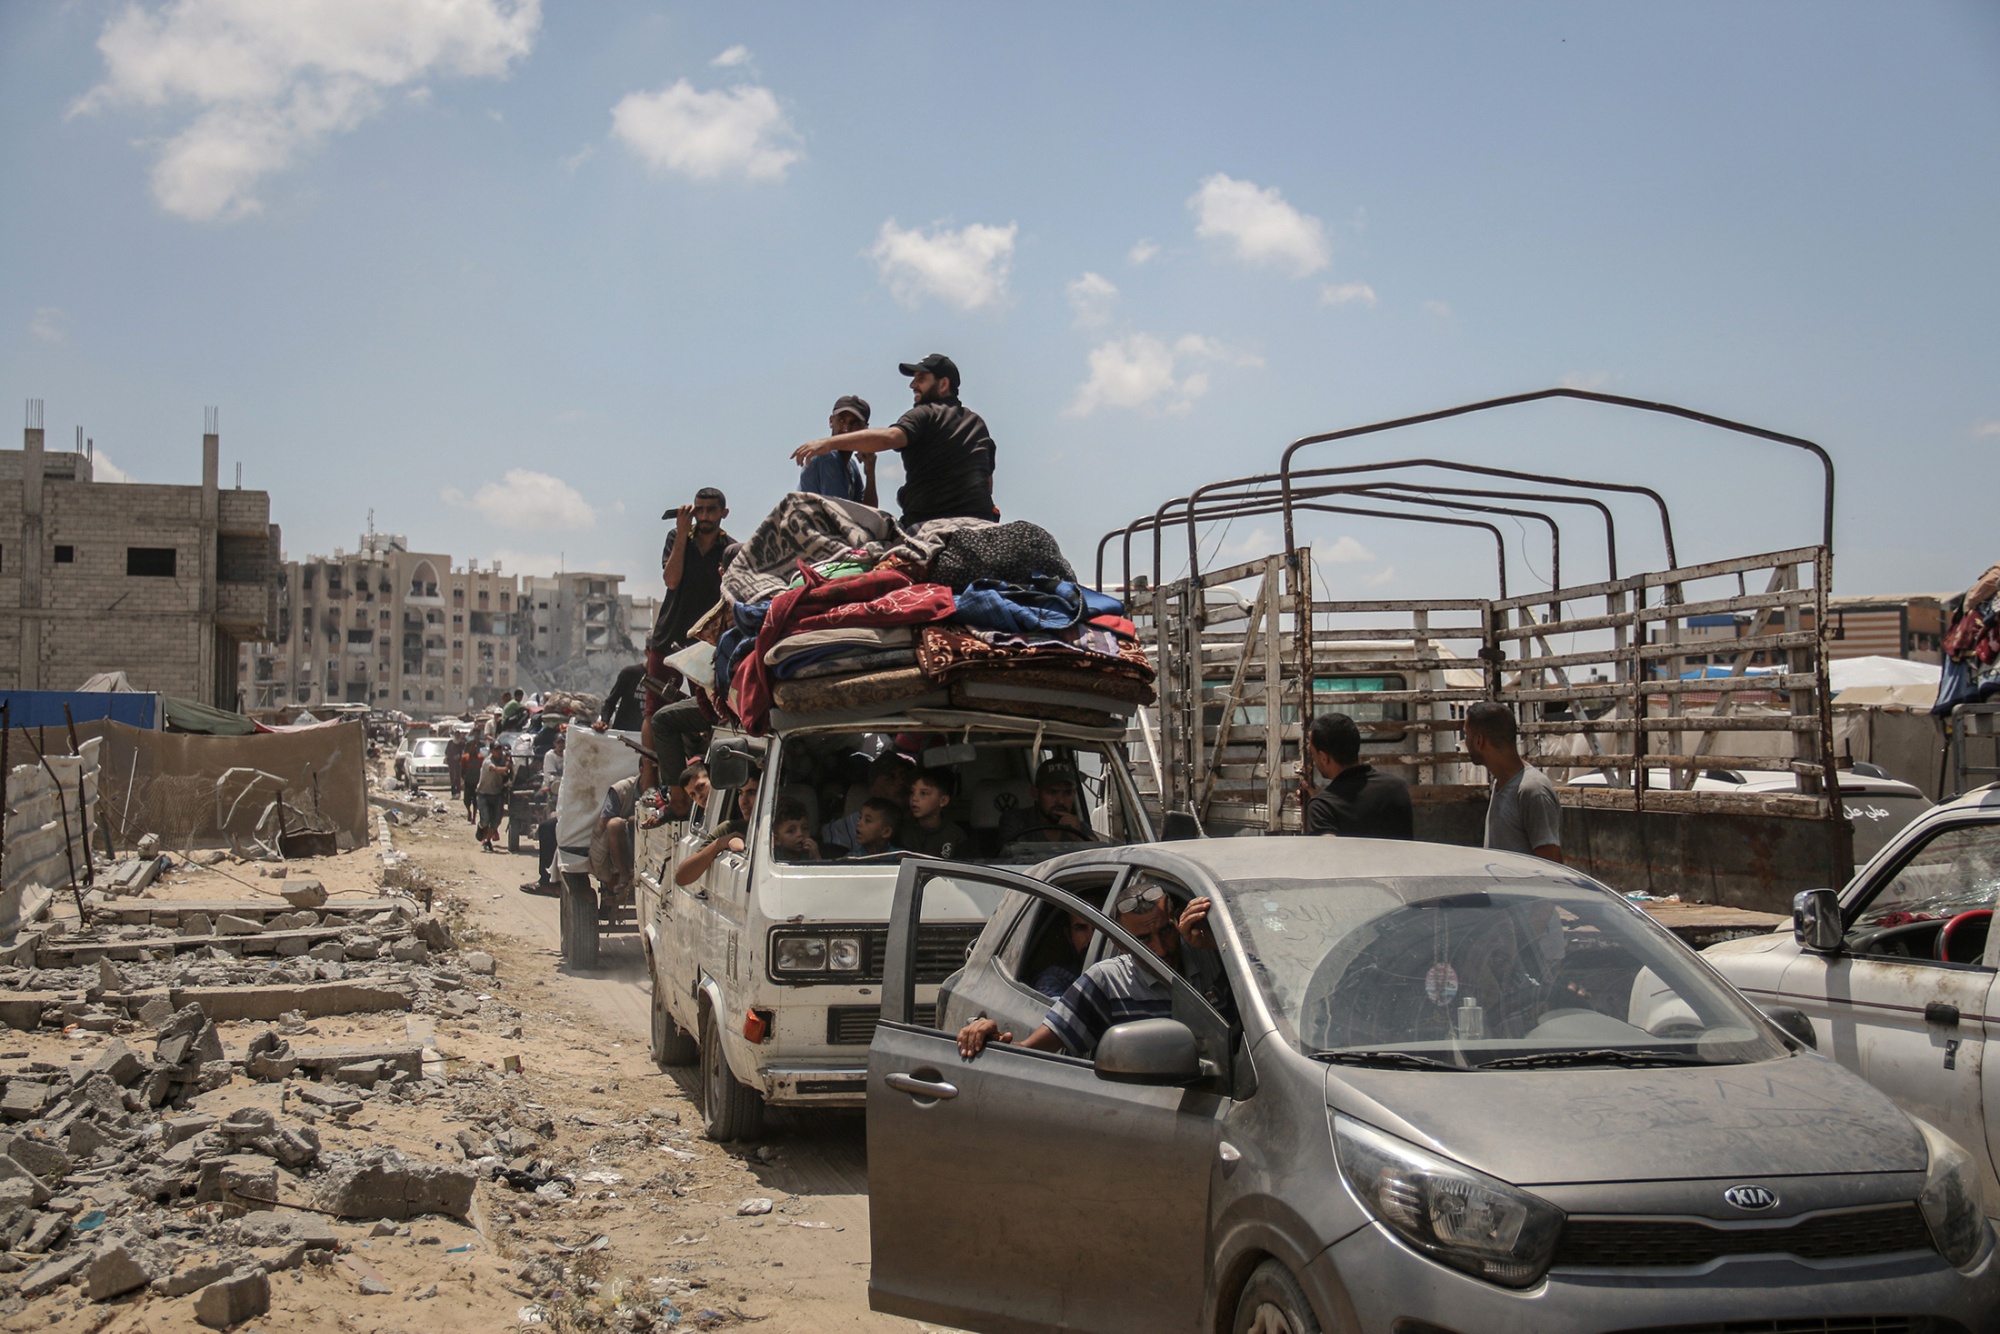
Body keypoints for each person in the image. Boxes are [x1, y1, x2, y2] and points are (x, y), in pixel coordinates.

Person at [957, 884, 1216, 1060]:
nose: (1160, 949)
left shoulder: (1213, 959)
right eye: (1144, 940)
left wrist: (1212, 948)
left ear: (1177, 921)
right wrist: (989, 1037)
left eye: (1166, 931)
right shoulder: (1107, 981)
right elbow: (1032, 1051)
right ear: (1121, 944)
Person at [789, 354, 997, 526]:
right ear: (831, 420)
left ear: (943, 384)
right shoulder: (977, 423)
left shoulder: (924, 414)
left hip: (928, 522)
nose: (913, 384)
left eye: (921, 379)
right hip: (980, 522)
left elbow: (891, 438)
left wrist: (828, 443)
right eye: (841, 420)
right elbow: (987, 484)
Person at [1464, 701, 1562, 863]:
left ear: (1479, 741)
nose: (1465, 742)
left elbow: (1552, 867)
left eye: (1467, 734)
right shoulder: (1501, 783)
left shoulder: (1533, 790)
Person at [1299, 712, 1414, 839]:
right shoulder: (1397, 787)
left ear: (1323, 758)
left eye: (1313, 754)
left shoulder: (1322, 807)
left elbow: (1328, 852)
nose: (1313, 760)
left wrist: (1321, 804)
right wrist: (1322, 799)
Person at [675, 768, 760, 887]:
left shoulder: (787, 824)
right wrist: (719, 844)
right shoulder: (731, 828)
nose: (743, 801)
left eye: (752, 792)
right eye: (740, 793)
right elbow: (682, 877)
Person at [821, 753, 915, 851]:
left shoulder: (924, 820)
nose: (901, 782)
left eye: (905, 776)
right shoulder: (857, 822)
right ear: (874, 790)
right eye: (891, 778)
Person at [797, 395, 877, 505]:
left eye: (855, 423)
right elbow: (839, 516)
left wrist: (870, 473)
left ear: (865, 429)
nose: (846, 429)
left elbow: (869, 516)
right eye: (841, 420)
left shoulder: (851, 466)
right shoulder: (827, 457)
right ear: (831, 421)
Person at [998, 761, 1098, 844]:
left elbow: (1098, 855)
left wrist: (1078, 837)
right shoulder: (1017, 821)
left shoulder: (1078, 827)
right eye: (1052, 792)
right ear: (1035, 794)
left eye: (1067, 793)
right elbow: (1012, 857)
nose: (1060, 801)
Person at [524, 728, 566, 896]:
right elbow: (552, 776)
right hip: (553, 787)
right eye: (559, 742)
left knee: (548, 829)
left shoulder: (570, 754)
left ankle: (546, 880)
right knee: (542, 797)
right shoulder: (551, 756)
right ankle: (546, 877)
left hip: (565, 789)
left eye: (563, 742)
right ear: (555, 743)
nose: (561, 745)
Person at [899, 769, 970, 858]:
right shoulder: (902, 832)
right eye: (912, 792)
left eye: (923, 793)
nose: (914, 798)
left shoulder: (955, 837)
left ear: (943, 801)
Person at [592, 773, 640, 893]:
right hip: (615, 847)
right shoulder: (622, 789)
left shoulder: (665, 788)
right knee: (616, 824)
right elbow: (604, 821)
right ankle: (625, 876)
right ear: (642, 769)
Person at [1030, 912, 1097, 998]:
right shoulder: (1056, 979)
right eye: (1081, 928)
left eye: (1097, 929)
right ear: (1068, 935)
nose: (1091, 937)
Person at [475, 740, 512, 853]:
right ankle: (481, 827)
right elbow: (496, 770)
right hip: (484, 794)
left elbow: (511, 757)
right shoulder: (487, 762)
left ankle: (487, 841)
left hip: (497, 794)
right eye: (496, 749)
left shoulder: (504, 757)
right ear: (491, 751)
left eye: (500, 748)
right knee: (485, 819)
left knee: (496, 821)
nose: (499, 751)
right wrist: (507, 768)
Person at [598, 664, 646, 733]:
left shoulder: (663, 678)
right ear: (647, 653)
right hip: (622, 733)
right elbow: (611, 701)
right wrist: (604, 721)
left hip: (647, 737)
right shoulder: (630, 673)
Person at [773, 798, 821, 862]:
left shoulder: (810, 853)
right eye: (791, 831)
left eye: (804, 828)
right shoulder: (772, 859)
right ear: (776, 839)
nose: (800, 834)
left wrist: (817, 858)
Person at [458, 739, 483, 824]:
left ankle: (474, 818)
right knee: (466, 800)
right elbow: (462, 770)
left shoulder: (480, 758)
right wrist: (462, 780)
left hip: (477, 782)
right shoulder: (465, 758)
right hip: (468, 782)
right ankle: (469, 811)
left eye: (475, 746)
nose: (474, 748)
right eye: (472, 746)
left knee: (476, 801)